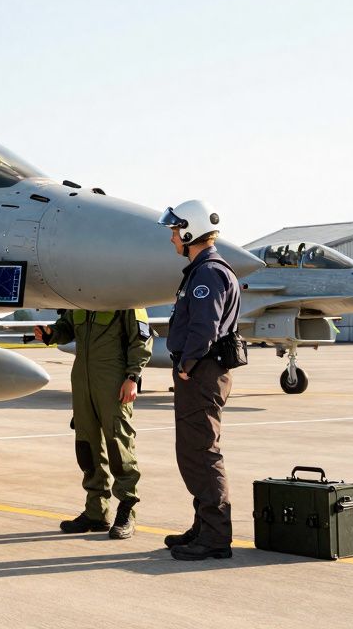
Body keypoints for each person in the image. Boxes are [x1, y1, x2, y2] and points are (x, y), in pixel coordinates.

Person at [157, 199, 242, 561]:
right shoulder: (202, 271)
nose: (173, 238)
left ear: (190, 232)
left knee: (202, 452)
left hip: (202, 371)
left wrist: (187, 365)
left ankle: (216, 536)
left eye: (176, 231)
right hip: (201, 370)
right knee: (193, 451)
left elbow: (204, 327)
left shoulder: (208, 273)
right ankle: (204, 525)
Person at [33, 308, 151, 539]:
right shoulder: (80, 296)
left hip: (114, 377)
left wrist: (132, 377)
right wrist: (51, 333)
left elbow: (141, 337)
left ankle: (127, 510)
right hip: (82, 378)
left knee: (119, 444)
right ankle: (96, 512)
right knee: (87, 445)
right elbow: (67, 327)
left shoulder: (124, 294)